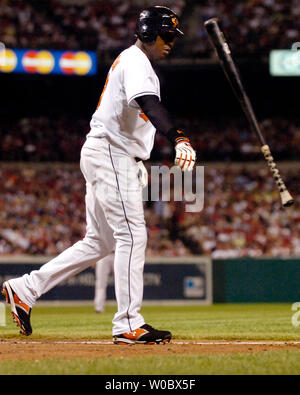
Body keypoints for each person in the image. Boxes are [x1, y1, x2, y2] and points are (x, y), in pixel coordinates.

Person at [2, 6, 196, 344]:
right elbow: (150, 104)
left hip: (105, 152)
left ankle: (26, 287)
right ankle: (127, 324)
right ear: (149, 33)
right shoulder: (136, 61)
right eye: (166, 35)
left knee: (100, 241)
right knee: (132, 235)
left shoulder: (133, 61)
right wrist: (178, 136)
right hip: (112, 153)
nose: (171, 43)